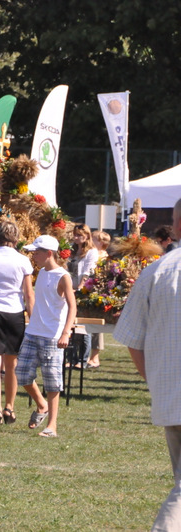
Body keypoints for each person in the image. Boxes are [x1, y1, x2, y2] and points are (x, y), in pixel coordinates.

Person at [114, 197, 181, 531]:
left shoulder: (156, 272)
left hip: (169, 397)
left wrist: (155, 380)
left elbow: (131, 338)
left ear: (177, 225)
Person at [15, 235, 76, 438]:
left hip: (52, 335)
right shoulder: (41, 272)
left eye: (36, 252)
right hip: (33, 332)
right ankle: (42, 405)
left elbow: (72, 306)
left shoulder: (63, 276)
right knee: (22, 374)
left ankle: (52, 426)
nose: (33, 256)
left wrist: (66, 332)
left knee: (52, 382)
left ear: (49, 253)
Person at [0, 220, 34, 425]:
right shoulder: (23, 261)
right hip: (15, 312)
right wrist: (32, 318)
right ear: (16, 239)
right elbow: (28, 294)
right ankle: (10, 406)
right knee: (12, 363)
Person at [68, 223, 97, 368]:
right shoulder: (72, 251)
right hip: (70, 288)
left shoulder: (91, 252)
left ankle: (82, 359)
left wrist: (79, 289)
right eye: (75, 235)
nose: (76, 238)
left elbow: (87, 271)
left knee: (83, 327)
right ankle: (71, 358)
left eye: (79, 235)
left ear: (86, 236)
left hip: (82, 291)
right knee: (70, 325)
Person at [87, 230, 111, 369]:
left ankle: (95, 356)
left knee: (96, 327)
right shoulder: (90, 253)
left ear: (101, 242)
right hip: (89, 290)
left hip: (98, 293)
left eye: (94, 239)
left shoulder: (104, 257)